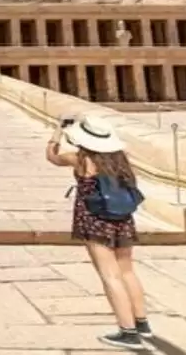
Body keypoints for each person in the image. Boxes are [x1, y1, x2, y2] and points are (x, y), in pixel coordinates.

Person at [45, 112, 151, 350]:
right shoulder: (120, 159)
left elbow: (52, 156)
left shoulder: (81, 159)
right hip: (123, 218)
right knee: (127, 272)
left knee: (110, 275)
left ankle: (128, 332)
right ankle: (141, 322)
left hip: (95, 220)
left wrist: (58, 132)